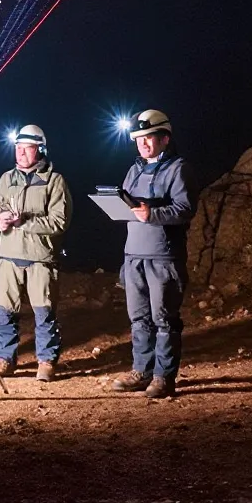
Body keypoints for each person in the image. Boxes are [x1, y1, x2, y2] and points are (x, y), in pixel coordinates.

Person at [113, 108, 193, 398]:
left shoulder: (177, 168)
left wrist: (153, 214)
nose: (143, 143)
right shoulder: (134, 169)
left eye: (149, 137)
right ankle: (142, 370)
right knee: (139, 317)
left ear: (164, 138)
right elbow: (128, 203)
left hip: (162, 255)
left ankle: (163, 376)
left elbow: (184, 209)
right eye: (138, 139)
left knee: (164, 318)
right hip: (133, 253)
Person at [0, 123, 71, 380]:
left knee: (44, 311)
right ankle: (4, 360)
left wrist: (25, 222)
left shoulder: (54, 181)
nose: (21, 153)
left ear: (40, 150)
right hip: (9, 256)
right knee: (5, 311)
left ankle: (46, 362)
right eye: (18, 148)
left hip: (40, 259)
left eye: (27, 148)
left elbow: (60, 222)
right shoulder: (6, 179)